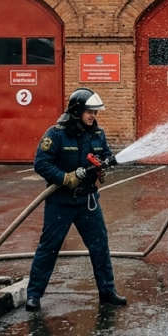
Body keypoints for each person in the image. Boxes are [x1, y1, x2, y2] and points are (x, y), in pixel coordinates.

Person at [27, 87, 127, 311]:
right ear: (76, 111)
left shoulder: (97, 134)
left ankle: (107, 292)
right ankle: (33, 295)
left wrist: (103, 169)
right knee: (49, 247)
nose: (93, 116)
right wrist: (66, 177)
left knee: (100, 246)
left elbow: (104, 155)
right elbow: (41, 163)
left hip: (87, 202)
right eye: (89, 112)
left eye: (95, 112)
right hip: (60, 202)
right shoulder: (56, 134)